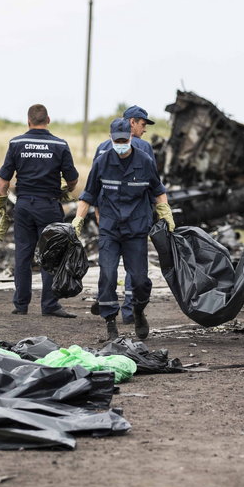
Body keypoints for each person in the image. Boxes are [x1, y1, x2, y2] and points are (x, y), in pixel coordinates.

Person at [72, 118, 175, 341]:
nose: (120, 143)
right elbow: (88, 194)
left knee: (139, 280)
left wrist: (166, 212)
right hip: (110, 228)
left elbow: (158, 190)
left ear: (130, 137)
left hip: (136, 229)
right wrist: (78, 221)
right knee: (107, 275)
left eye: (124, 139)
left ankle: (138, 311)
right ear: (111, 138)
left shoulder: (145, 161)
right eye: (116, 140)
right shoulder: (102, 161)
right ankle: (110, 323)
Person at [0, 104, 79, 317]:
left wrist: (3, 204)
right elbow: (73, 180)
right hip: (49, 207)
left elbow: (3, 180)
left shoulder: (16, 143)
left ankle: (21, 305)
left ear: (28, 121)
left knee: (23, 255)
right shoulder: (60, 145)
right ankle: (50, 305)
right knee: (50, 255)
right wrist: (66, 190)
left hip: (23, 205)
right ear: (48, 120)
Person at [90, 105, 156, 324]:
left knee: (113, 270)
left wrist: (98, 211)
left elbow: (96, 186)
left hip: (110, 217)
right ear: (132, 123)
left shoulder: (102, 147)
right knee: (133, 269)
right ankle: (130, 311)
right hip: (133, 219)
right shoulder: (144, 148)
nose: (144, 130)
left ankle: (120, 308)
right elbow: (151, 186)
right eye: (143, 124)